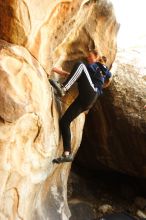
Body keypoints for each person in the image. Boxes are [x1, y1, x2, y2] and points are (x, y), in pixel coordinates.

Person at [49, 50, 112, 163]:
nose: (88, 58)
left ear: (97, 57)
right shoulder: (98, 70)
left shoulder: (97, 66)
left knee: (80, 65)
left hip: (91, 93)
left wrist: (56, 70)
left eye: (90, 56)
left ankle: (63, 89)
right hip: (86, 100)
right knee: (64, 122)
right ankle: (67, 153)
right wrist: (54, 69)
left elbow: (80, 70)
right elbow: (75, 75)